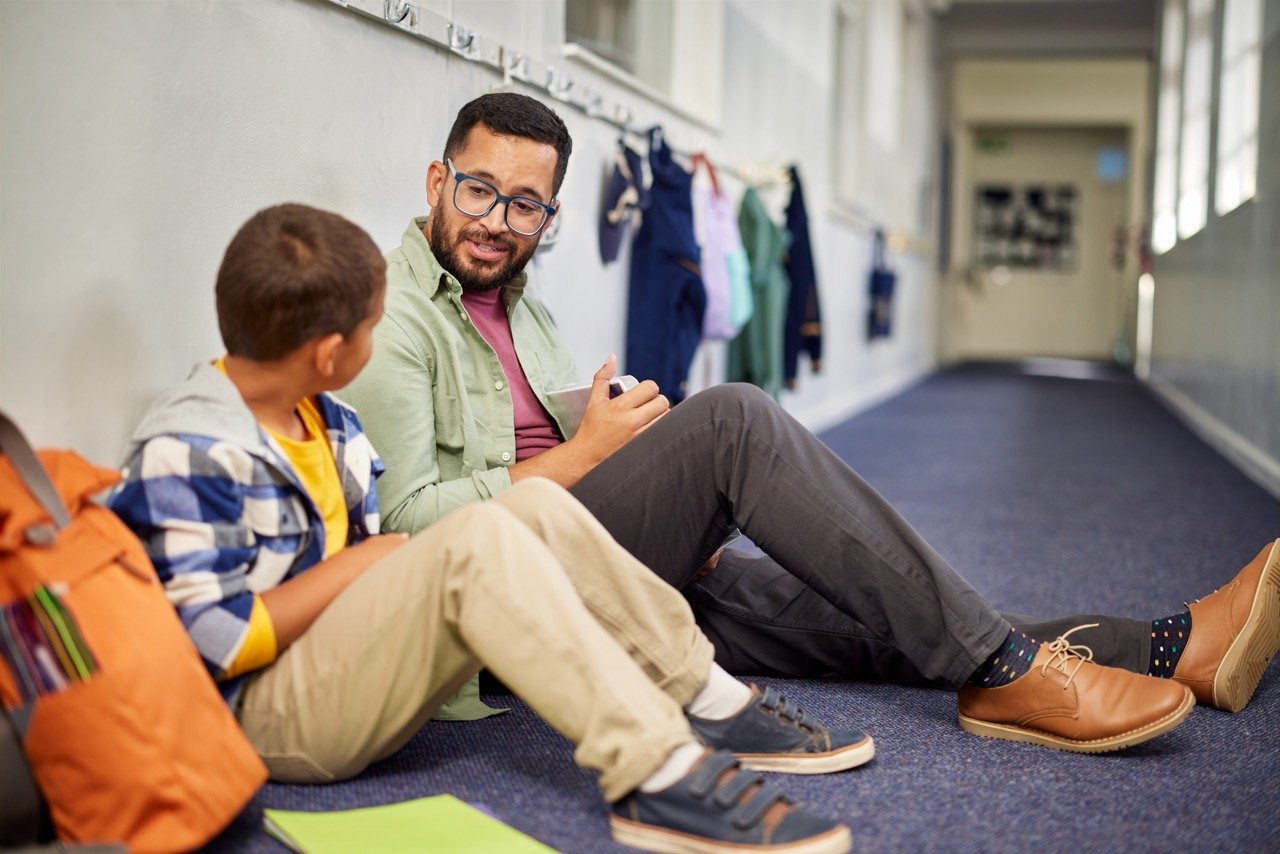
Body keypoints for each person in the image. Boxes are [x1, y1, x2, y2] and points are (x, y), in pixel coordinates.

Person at [338, 91, 1280, 751]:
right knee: (736, 421)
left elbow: (543, 443)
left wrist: (641, 463)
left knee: (875, 610)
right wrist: (593, 456)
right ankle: (1003, 669)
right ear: (436, 179)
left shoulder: (520, 302)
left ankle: (1164, 650)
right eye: (480, 190)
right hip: (495, 628)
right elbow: (409, 535)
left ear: (550, 213)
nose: (499, 220)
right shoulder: (393, 318)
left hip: (597, 567)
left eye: (527, 204)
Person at [106, 203, 887, 854]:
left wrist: (376, 568)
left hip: (344, 668)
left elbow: (378, 575)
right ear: (330, 352)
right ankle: (656, 777)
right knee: (476, 538)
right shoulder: (191, 449)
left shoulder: (330, 422)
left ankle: (709, 702)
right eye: (375, 329)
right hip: (267, 722)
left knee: (536, 508)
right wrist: (362, 567)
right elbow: (215, 641)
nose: (378, 343)